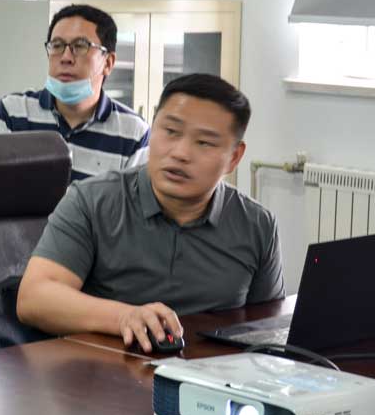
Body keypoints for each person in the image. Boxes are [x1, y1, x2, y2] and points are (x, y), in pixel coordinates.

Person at [16, 74, 284, 351]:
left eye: (204, 142)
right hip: (105, 366)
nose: (180, 153)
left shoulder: (257, 225)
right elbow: (34, 299)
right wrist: (124, 317)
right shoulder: (91, 201)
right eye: (171, 131)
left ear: (234, 157)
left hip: (210, 371)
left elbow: (267, 325)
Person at [0, 3, 149, 181]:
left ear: (108, 63)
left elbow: (131, 199)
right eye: (57, 45)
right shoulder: (12, 112)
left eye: (80, 46)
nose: (65, 57)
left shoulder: (134, 133)